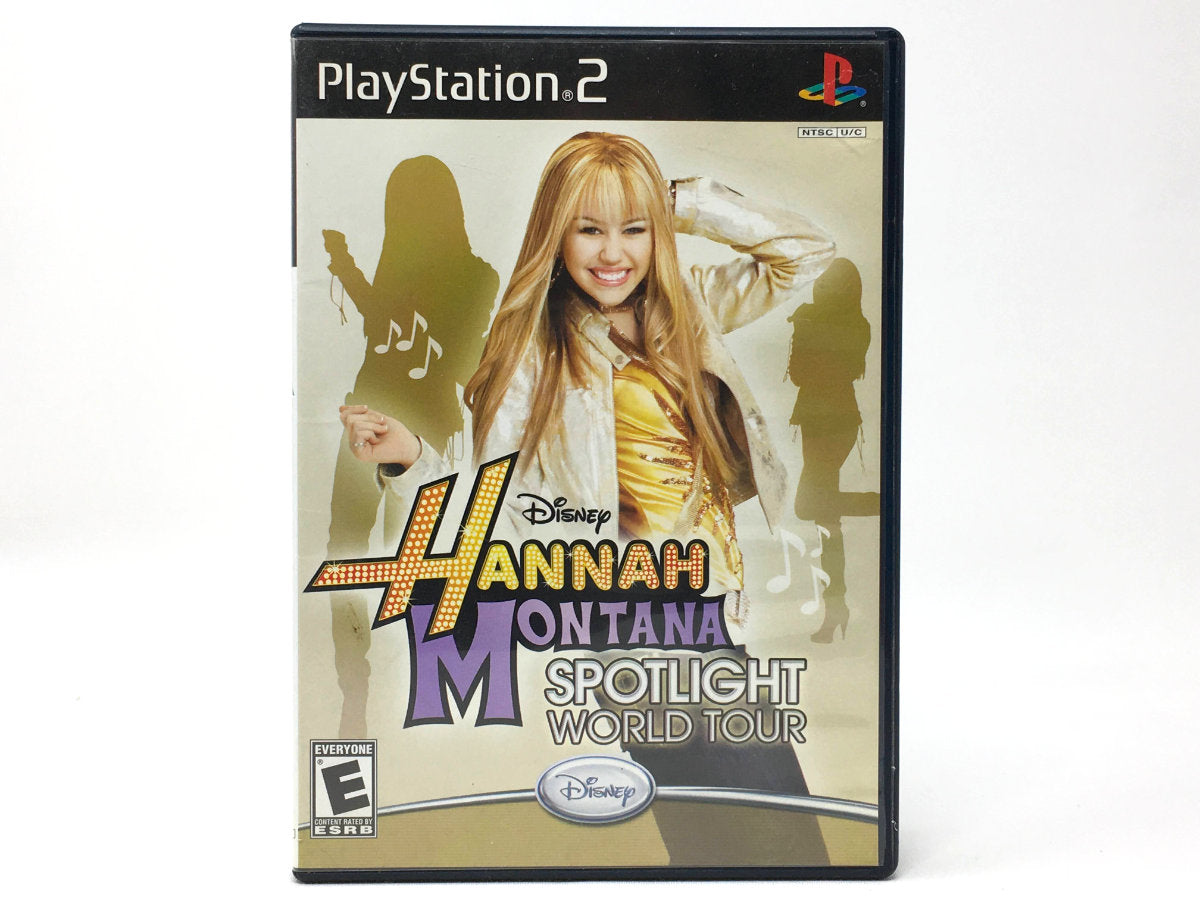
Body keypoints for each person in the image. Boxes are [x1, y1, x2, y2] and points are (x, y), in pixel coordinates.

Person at [339, 132, 836, 863]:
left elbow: (806, 251)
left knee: (723, 840)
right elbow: (496, 517)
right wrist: (412, 460)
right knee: (771, 836)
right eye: (590, 229)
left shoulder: (686, 309)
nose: (613, 253)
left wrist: (676, 201)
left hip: (704, 610)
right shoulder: (534, 354)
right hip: (632, 618)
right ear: (557, 232)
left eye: (633, 229)